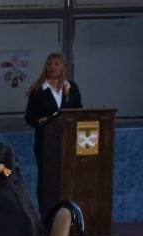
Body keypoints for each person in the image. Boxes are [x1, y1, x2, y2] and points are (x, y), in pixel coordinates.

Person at [25, 53, 83, 214]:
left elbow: (78, 111)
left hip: (68, 141)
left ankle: (68, 214)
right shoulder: (38, 90)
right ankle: (47, 215)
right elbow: (29, 117)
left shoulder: (71, 87)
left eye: (56, 64)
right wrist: (40, 120)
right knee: (47, 179)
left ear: (63, 67)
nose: (52, 67)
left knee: (67, 177)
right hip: (46, 142)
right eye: (49, 64)